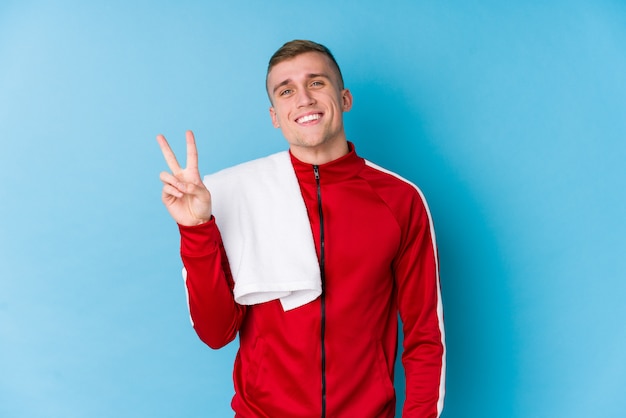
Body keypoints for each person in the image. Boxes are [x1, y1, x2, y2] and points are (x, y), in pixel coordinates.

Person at [157, 40, 445, 417]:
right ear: (275, 115)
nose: (304, 99)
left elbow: (425, 335)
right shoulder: (235, 194)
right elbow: (216, 333)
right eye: (287, 90)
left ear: (344, 98)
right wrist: (196, 229)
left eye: (317, 83)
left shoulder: (400, 199)